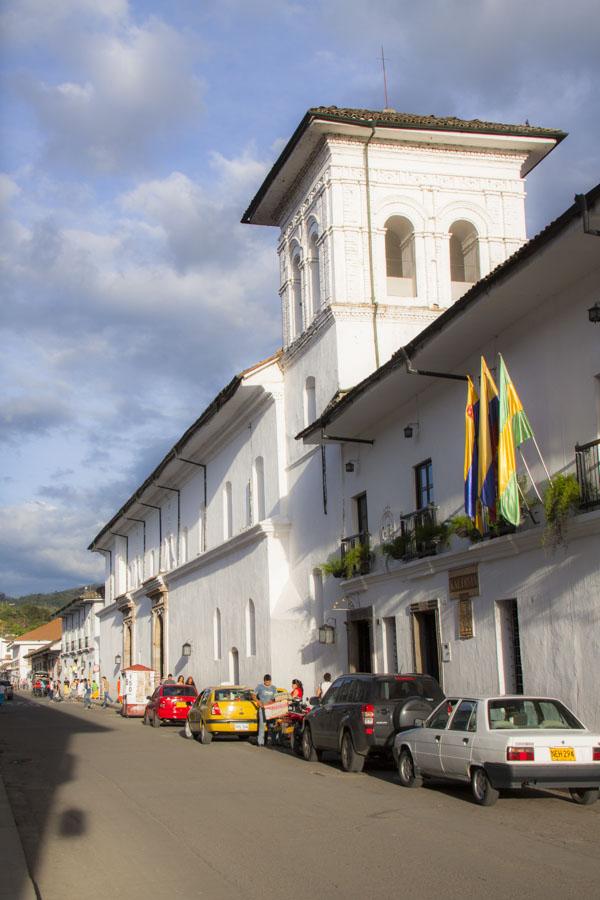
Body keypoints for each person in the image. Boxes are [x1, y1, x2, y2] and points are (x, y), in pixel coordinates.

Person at [252, 674, 278, 746]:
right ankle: (260, 742)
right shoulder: (259, 687)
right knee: (262, 725)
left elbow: (276, 697)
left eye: (269, 682)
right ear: (264, 681)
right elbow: (253, 695)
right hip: (262, 708)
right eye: (266, 682)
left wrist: (273, 701)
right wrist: (258, 702)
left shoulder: (273, 688)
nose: (268, 683)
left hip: (271, 709)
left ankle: (272, 741)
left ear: (271, 681)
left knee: (272, 725)